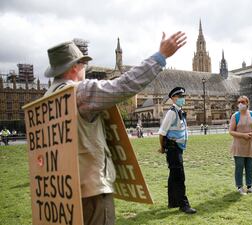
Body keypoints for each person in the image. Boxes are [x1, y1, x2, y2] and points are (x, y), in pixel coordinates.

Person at [43, 31, 187, 225]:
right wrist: (160, 57)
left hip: (60, 191)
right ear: (75, 67)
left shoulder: (46, 100)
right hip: (91, 189)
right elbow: (123, 86)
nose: (85, 68)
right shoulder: (79, 92)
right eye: (83, 64)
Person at [158, 87, 196, 214]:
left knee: (173, 176)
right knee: (180, 176)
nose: (182, 99)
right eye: (179, 96)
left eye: (183, 96)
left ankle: (173, 202)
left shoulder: (179, 111)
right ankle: (183, 205)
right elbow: (162, 132)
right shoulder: (172, 112)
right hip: (173, 148)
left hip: (178, 148)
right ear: (173, 98)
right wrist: (163, 147)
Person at [229, 96, 252, 195]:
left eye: (242, 102)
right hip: (239, 145)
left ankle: (250, 186)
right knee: (239, 166)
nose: (240, 104)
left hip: (251, 144)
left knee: (249, 167)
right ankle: (239, 187)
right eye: (239, 102)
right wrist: (243, 135)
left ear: (247, 103)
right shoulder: (235, 116)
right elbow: (231, 131)